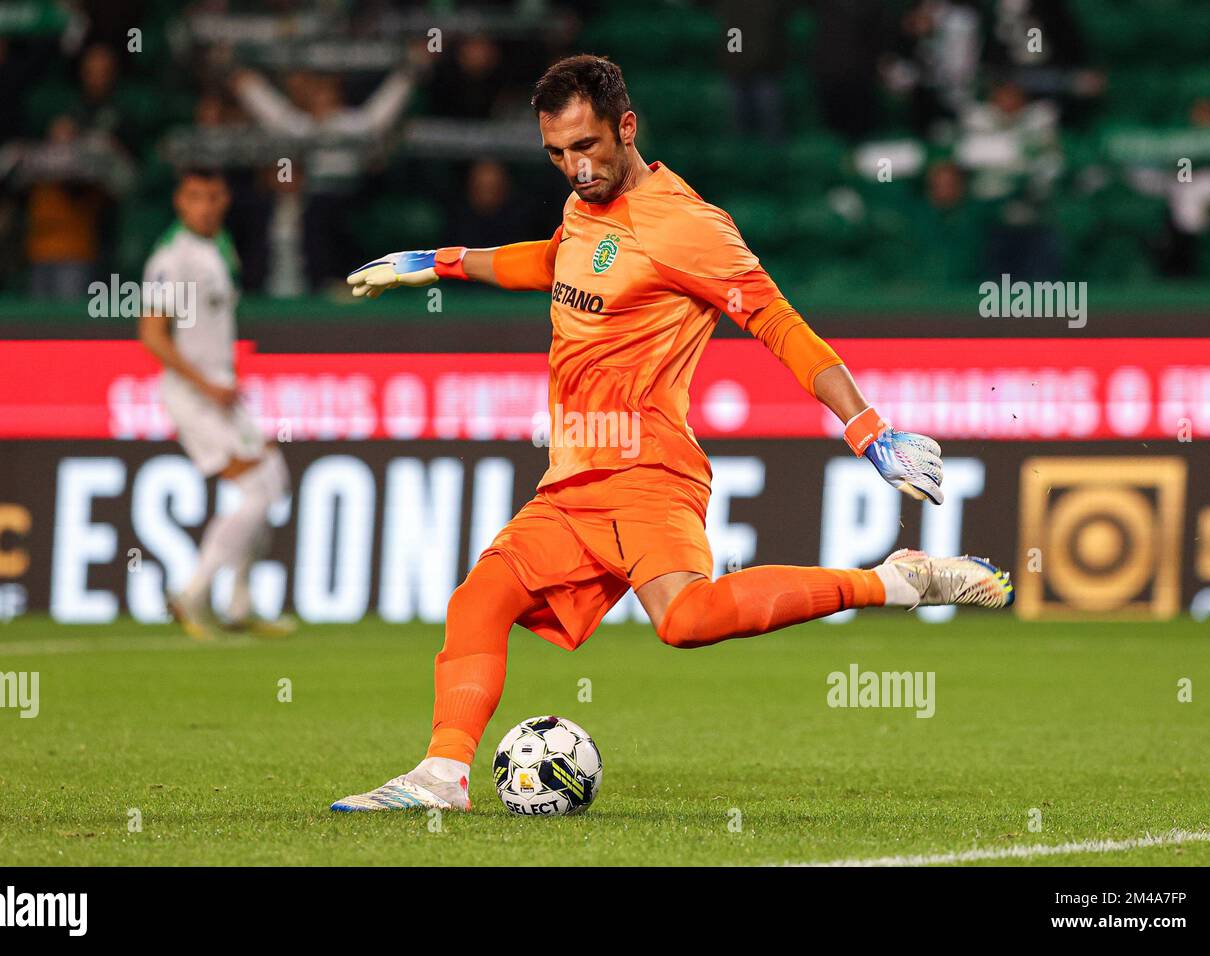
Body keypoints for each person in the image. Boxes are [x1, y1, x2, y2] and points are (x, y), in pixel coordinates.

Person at [333, 56, 1012, 812]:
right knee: (478, 601)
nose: (575, 168)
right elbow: (559, 263)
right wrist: (439, 262)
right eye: (556, 153)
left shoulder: (689, 228)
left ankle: (889, 581)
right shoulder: (584, 205)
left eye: (587, 145)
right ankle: (442, 776)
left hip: (647, 473)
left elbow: (777, 322)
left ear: (627, 127)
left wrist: (868, 427)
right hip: (573, 479)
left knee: (686, 621)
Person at [137, 168, 293, 640]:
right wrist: (205, 383)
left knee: (273, 480)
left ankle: (239, 602)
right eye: (195, 197)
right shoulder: (173, 257)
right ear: (180, 202)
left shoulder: (216, 249)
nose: (205, 205)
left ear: (224, 198)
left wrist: (221, 379)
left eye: (213, 195)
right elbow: (152, 335)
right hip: (194, 395)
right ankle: (193, 593)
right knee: (255, 489)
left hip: (222, 393)